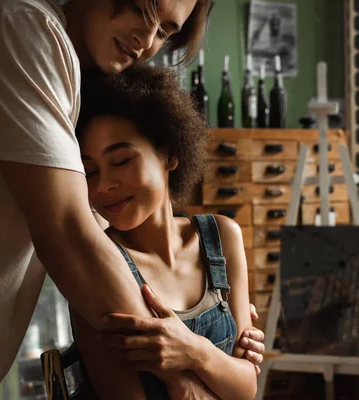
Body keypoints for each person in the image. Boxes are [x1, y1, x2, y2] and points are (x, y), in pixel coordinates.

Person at [0, 0, 264, 398]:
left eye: (166, 31)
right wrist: (186, 377)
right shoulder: (25, 30)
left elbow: (96, 238)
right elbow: (71, 235)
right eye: (140, 6)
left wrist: (210, 336)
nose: (147, 39)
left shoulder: (78, 84)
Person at [71, 66, 258, 399]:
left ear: (170, 154)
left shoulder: (222, 236)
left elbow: (247, 387)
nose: (104, 185)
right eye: (90, 171)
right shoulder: (97, 267)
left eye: (122, 160)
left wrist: (193, 350)